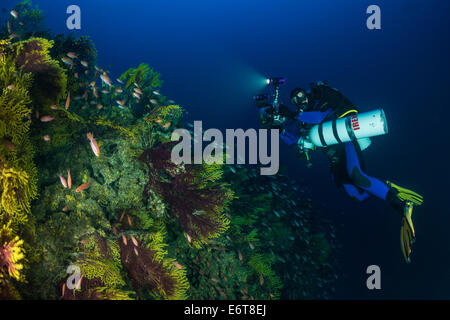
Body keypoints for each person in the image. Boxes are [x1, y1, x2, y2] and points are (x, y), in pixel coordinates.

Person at [258, 81, 423, 263]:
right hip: (334, 160)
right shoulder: (302, 121)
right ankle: (387, 187)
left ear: (306, 94)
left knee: (358, 177)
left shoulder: (322, 102)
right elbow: (295, 141)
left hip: (346, 144)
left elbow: (320, 117)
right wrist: (278, 129)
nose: (300, 101)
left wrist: (292, 114)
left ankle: (400, 205)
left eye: (300, 96)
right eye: (295, 101)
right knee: (356, 197)